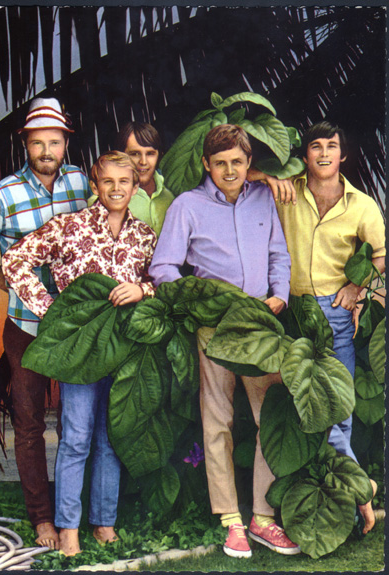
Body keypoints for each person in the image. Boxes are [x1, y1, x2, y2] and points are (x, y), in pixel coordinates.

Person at [149, 124, 300, 558]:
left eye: (237, 162)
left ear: (249, 163)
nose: (229, 170)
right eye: (220, 163)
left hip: (260, 323)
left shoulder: (263, 198)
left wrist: (279, 294)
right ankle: (231, 520)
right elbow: (163, 267)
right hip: (214, 327)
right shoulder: (187, 206)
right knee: (217, 421)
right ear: (206, 164)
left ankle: (263, 519)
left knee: (271, 416)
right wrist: (196, 303)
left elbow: (278, 253)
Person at [2, 151, 157, 556]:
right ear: (94, 186)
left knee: (110, 438)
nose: (116, 189)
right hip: (82, 351)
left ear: (135, 187)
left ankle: (104, 524)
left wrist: (143, 289)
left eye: (124, 182)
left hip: (123, 348)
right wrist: (53, 312)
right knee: (75, 438)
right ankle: (68, 527)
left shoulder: (144, 236)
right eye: (108, 181)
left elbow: (161, 281)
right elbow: (15, 260)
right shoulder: (69, 226)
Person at [249, 121, 385, 534]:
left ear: (343, 155)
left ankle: (351, 500)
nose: (324, 153)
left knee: (336, 410)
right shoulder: (287, 191)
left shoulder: (362, 205)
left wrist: (355, 288)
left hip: (335, 312)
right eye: (315, 146)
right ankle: (360, 494)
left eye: (331, 146)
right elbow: (240, 177)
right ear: (305, 155)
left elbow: (381, 255)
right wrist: (269, 177)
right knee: (302, 410)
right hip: (290, 310)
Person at [0, 97, 91, 549]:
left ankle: (76, 509)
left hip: (76, 324)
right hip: (25, 322)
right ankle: (42, 518)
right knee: (30, 420)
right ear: (25, 144)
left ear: (65, 143)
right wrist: (11, 279)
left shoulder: (81, 183)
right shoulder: (4, 193)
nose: (46, 151)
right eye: (38, 143)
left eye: (54, 142)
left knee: (77, 418)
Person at [89, 121, 174, 236]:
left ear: (159, 155)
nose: (143, 162)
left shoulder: (171, 195)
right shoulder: (104, 199)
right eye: (135, 154)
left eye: (150, 154)